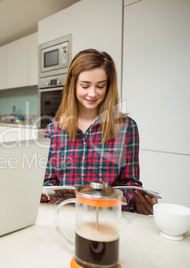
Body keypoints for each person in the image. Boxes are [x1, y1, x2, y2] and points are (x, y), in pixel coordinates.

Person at [43, 48, 157, 215]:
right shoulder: (53, 130)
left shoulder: (126, 127)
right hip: (65, 217)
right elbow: (49, 183)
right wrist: (45, 196)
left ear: (108, 86)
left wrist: (140, 201)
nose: (93, 93)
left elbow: (130, 184)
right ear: (72, 85)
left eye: (100, 86)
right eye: (85, 86)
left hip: (109, 217)